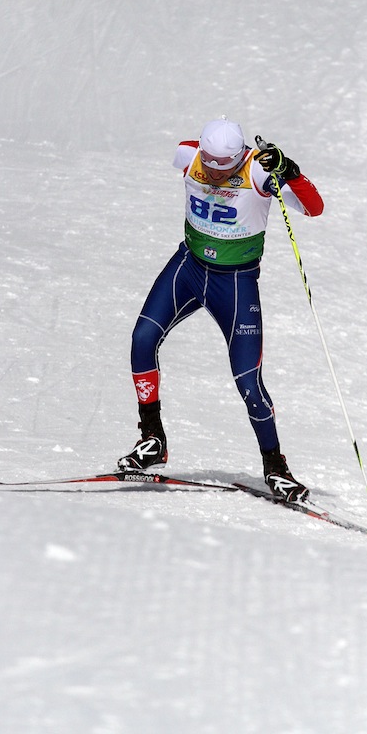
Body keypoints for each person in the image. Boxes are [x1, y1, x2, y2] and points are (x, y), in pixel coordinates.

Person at [118, 117, 324, 502]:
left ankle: (275, 467)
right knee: (142, 338)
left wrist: (291, 173)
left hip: (235, 283)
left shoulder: (259, 172)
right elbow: (191, 152)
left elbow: (314, 209)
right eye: (208, 163)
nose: (212, 171)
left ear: (239, 155)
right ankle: (152, 439)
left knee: (248, 380)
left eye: (222, 165)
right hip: (189, 268)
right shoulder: (188, 154)